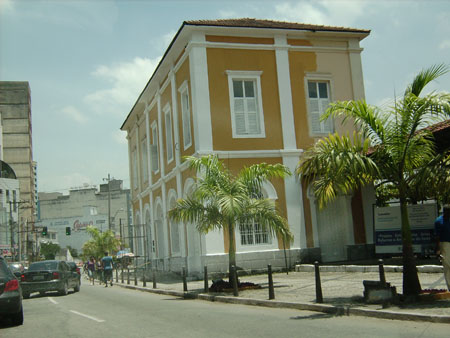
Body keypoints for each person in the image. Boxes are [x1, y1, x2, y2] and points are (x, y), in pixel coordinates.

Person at [435, 205, 450, 291]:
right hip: (445, 244)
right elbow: (437, 236)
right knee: (447, 266)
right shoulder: (439, 221)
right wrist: (438, 249)